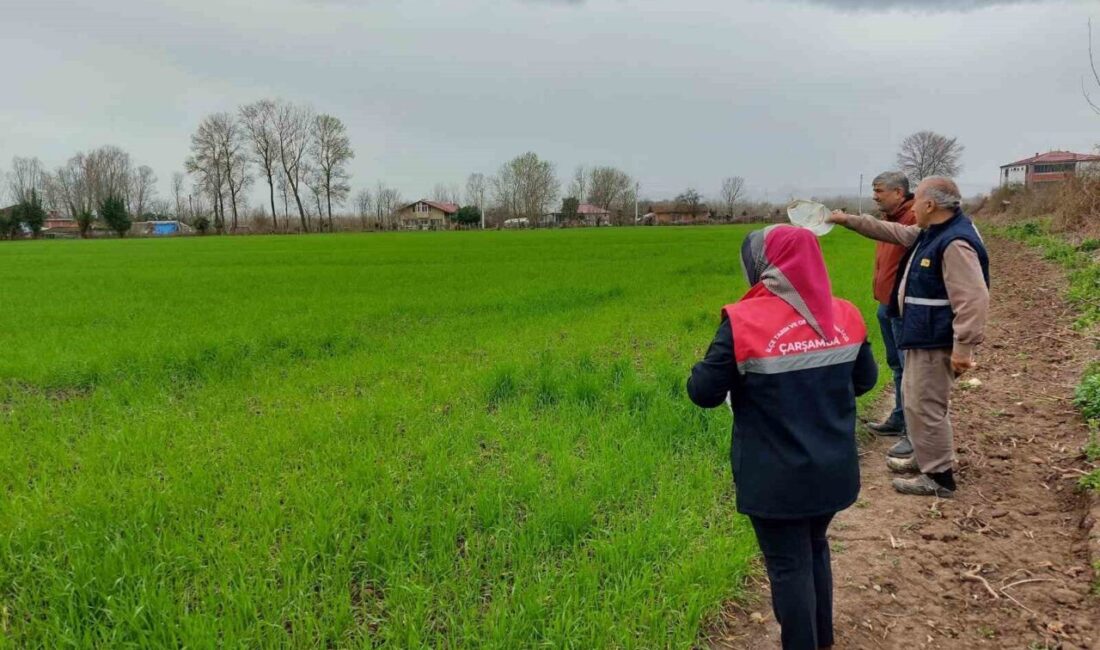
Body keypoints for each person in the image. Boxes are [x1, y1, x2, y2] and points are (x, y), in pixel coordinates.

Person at [688, 225, 878, 650]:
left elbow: (704, 393)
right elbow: (865, 380)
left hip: (776, 476)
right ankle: (821, 639)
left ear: (764, 266)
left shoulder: (743, 321)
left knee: (788, 565)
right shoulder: (845, 314)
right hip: (833, 469)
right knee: (814, 547)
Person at [828, 176, 989, 498]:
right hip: (923, 333)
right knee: (917, 402)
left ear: (930, 205)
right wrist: (848, 221)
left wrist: (963, 348)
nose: (912, 206)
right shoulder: (934, 232)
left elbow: (974, 299)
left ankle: (939, 478)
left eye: (917, 202)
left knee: (925, 405)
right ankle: (927, 458)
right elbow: (894, 232)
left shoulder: (955, 243)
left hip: (936, 338)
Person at [862, 172, 917, 463]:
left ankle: (913, 432)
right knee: (897, 366)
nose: (875, 196)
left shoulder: (914, 219)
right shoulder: (892, 218)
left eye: (879, 190)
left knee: (912, 373)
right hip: (886, 305)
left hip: (903, 307)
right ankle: (898, 418)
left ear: (899, 192)